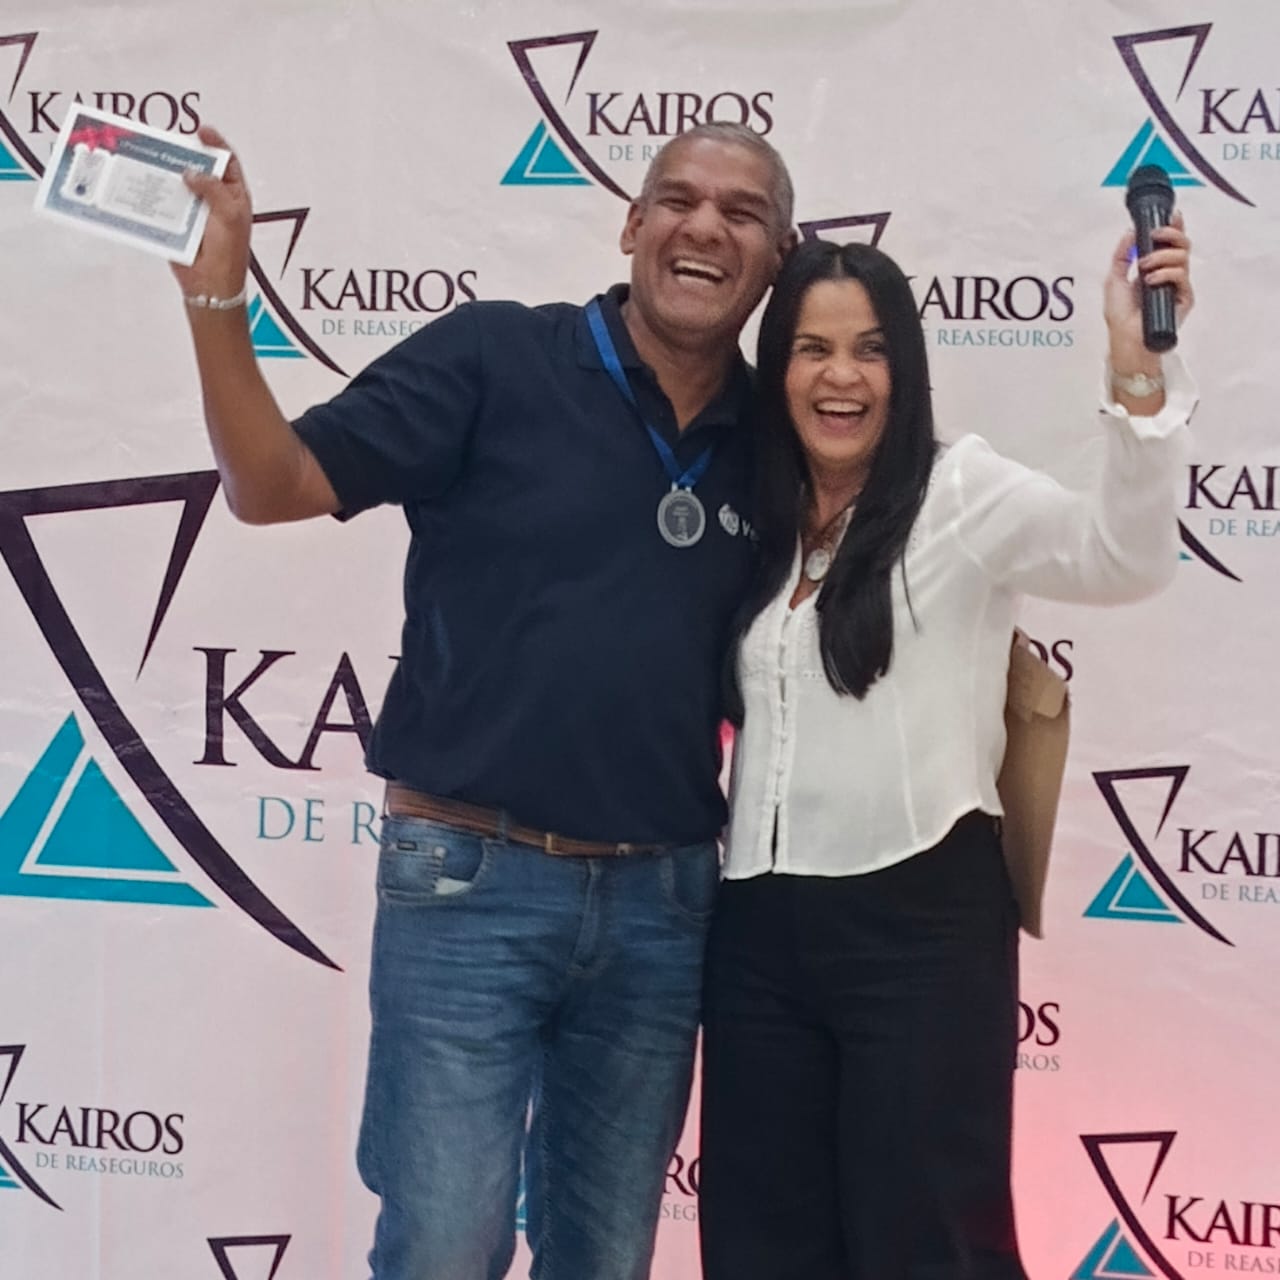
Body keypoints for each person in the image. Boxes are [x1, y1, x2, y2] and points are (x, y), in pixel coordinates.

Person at [172, 122, 796, 1280]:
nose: (704, 226)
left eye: (741, 213)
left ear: (778, 258)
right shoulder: (494, 357)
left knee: (604, 1255)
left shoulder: (781, 438)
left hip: (662, 906)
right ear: (631, 224)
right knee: (446, 1246)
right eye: (676, 199)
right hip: (467, 881)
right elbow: (269, 483)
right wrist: (218, 303)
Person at [697, 223, 1195, 1280]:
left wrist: (1136, 372)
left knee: (927, 1245)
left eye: (870, 349)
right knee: (759, 1246)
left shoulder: (957, 493)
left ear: (906, 369)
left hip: (918, 924)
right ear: (776, 366)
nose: (840, 377)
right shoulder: (756, 512)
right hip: (754, 933)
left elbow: (1125, 554)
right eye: (812, 348)